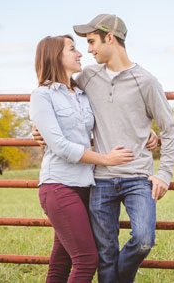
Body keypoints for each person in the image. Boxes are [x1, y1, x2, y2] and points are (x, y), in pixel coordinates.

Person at [36, 13, 174, 283]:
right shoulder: (88, 77)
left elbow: (171, 130)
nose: (88, 50)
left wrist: (164, 173)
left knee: (143, 241)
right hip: (100, 179)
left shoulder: (146, 81)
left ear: (110, 38)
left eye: (92, 42)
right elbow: (55, 99)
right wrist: (38, 130)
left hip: (138, 177)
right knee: (103, 253)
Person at [29, 34, 136, 283]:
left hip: (85, 187)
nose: (80, 53)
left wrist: (148, 131)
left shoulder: (82, 94)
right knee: (87, 259)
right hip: (59, 186)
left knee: (61, 261)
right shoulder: (42, 95)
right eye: (72, 49)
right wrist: (105, 160)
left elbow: (113, 115)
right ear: (55, 56)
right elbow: (60, 146)